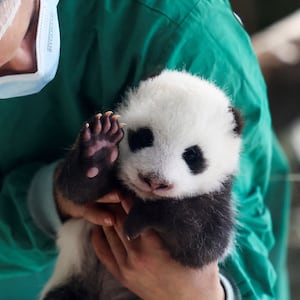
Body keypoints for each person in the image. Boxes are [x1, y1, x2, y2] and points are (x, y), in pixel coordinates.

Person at [0, 0, 290, 299]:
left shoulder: (180, 35)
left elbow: (244, 259)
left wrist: (199, 295)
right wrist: (59, 197)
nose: (157, 174)